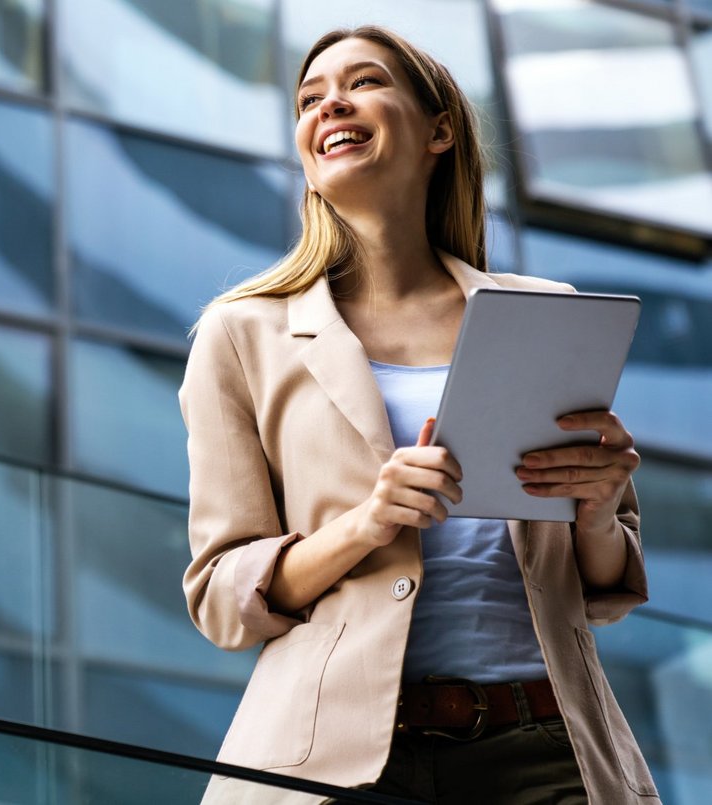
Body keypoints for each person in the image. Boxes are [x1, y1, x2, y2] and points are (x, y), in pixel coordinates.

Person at [180, 25, 660, 805]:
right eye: (309, 98)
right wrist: (366, 523)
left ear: (439, 129)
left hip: (546, 749)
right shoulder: (243, 334)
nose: (329, 102)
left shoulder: (545, 316)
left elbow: (604, 586)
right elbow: (220, 596)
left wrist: (600, 509)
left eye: (364, 82)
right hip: (328, 759)